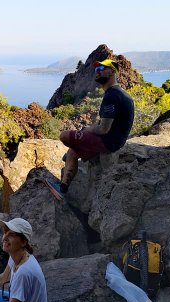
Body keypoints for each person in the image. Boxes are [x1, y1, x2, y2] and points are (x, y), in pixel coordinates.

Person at [45, 59, 135, 200]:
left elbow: (104, 129)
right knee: (72, 152)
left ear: (112, 72)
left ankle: (75, 154)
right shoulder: (119, 93)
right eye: (96, 70)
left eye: (101, 69)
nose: (97, 73)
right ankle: (63, 188)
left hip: (108, 142)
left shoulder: (112, 95)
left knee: (64, 136)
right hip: (114, 140)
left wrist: (85, 131)